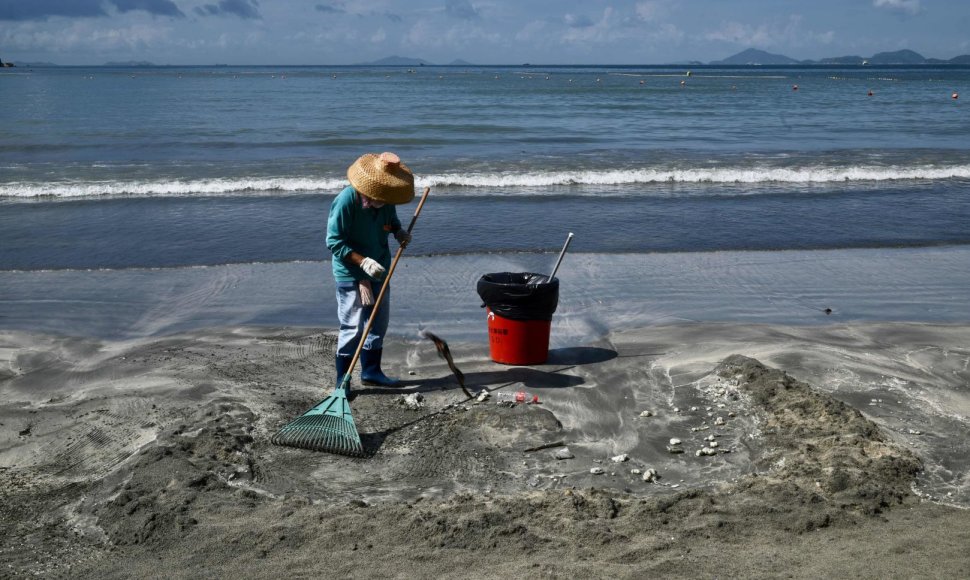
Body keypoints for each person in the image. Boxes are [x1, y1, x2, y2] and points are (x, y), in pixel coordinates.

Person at [326, 152, 414, 390]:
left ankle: (372, 372)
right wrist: (362, 261)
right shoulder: (346, 201)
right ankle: (342, 381)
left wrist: (399, 232)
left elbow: (392, 222)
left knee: (377, 323)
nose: (385, 200)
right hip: (350, 272)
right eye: (381, 195)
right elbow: (334, 242)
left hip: (379, 269)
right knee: (352, 326)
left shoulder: (385, 201)